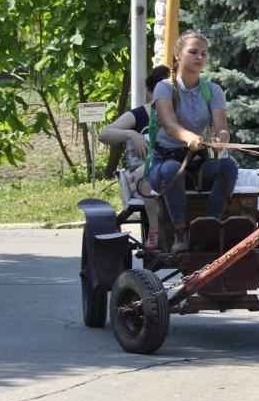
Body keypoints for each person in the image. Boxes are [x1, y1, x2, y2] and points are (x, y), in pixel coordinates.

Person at [147, 31, 239, 253]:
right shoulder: (164, 87)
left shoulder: (213, 90)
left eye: (204, 53)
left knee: (228, 166)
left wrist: (220, 139)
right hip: (163, 163)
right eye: (193, 52)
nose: (200, 57)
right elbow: (169, 124)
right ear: (178, 55)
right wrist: (189, 137)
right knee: (172, 169)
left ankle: (207, 227)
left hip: (198, 164)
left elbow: (222, 129)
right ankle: (180, 234)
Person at [98, 65, 170, 249]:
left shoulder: (178, 114)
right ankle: (154, 231)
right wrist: (131, 134)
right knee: (149, 175)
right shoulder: (139, 115)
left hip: (171, 171)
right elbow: (104, 134)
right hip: (141, 176)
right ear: (149, 92)